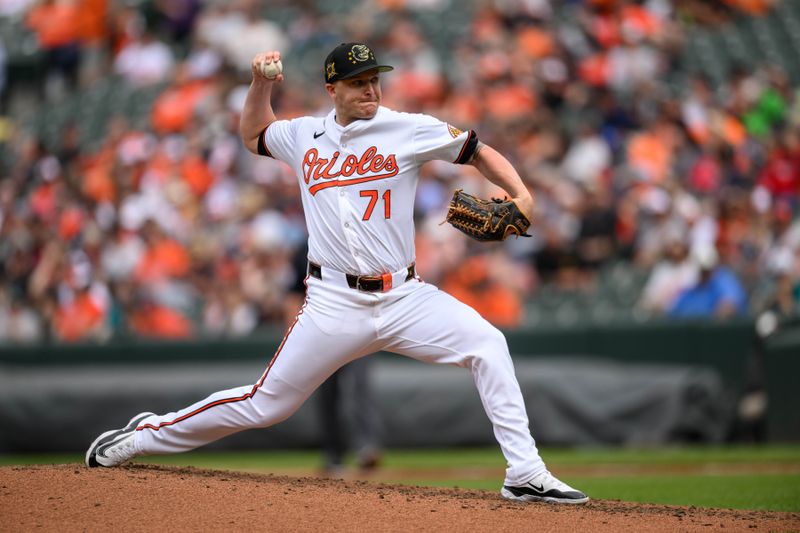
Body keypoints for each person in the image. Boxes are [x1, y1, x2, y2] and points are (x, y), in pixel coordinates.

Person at [85, 43, 588, 505]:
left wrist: (520, 194)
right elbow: (254, 135)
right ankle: (145, 435)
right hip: (333, 303)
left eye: (374, 79)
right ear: (333, 90)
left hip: (404, 296)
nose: (370, 89)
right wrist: (261, 85)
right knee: (265, 406)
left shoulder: (408, 126)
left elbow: (477, 150)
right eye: (357, 81)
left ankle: (525, 471)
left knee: (488, 344)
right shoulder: (304, 134)